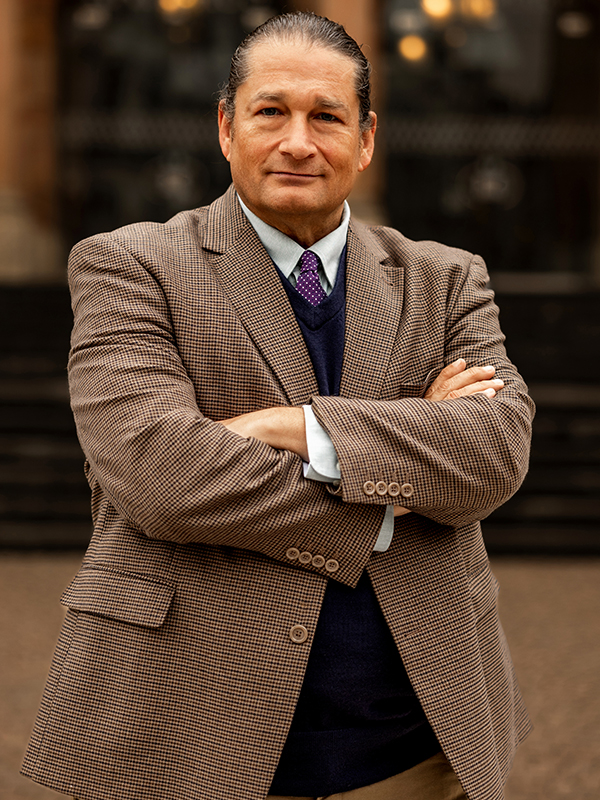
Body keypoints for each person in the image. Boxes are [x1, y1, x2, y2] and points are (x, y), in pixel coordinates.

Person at [22, 12, 534, 800]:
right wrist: (397, 481)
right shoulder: (130, 266)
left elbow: (494, 453)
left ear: (365, 140)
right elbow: (161, 474)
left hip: (413, 746)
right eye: (271, 112)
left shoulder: (446, 278)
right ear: (227, 129)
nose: (298, 141)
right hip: (190, 736)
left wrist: (295, 428)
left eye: (326, 116)